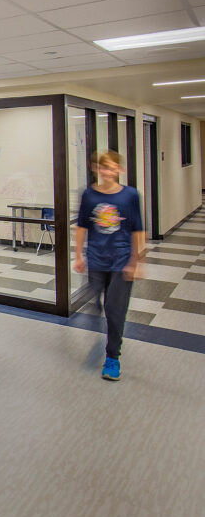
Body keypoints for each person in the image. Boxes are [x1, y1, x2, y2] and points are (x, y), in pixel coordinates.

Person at [74, 150, 144, 381]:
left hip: (121, 260)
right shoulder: (89, 195)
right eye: (103, 167)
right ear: (96, 169)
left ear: (119, 170)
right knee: (98, 297)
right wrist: (78, 255)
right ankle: (100, 302)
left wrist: (136, 261)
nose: (107, 172)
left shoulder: (130, 195)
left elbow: (137, 229)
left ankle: (112, 357)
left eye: (112, 168)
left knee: (115, 311)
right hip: (96, 259)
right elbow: (83, 226)